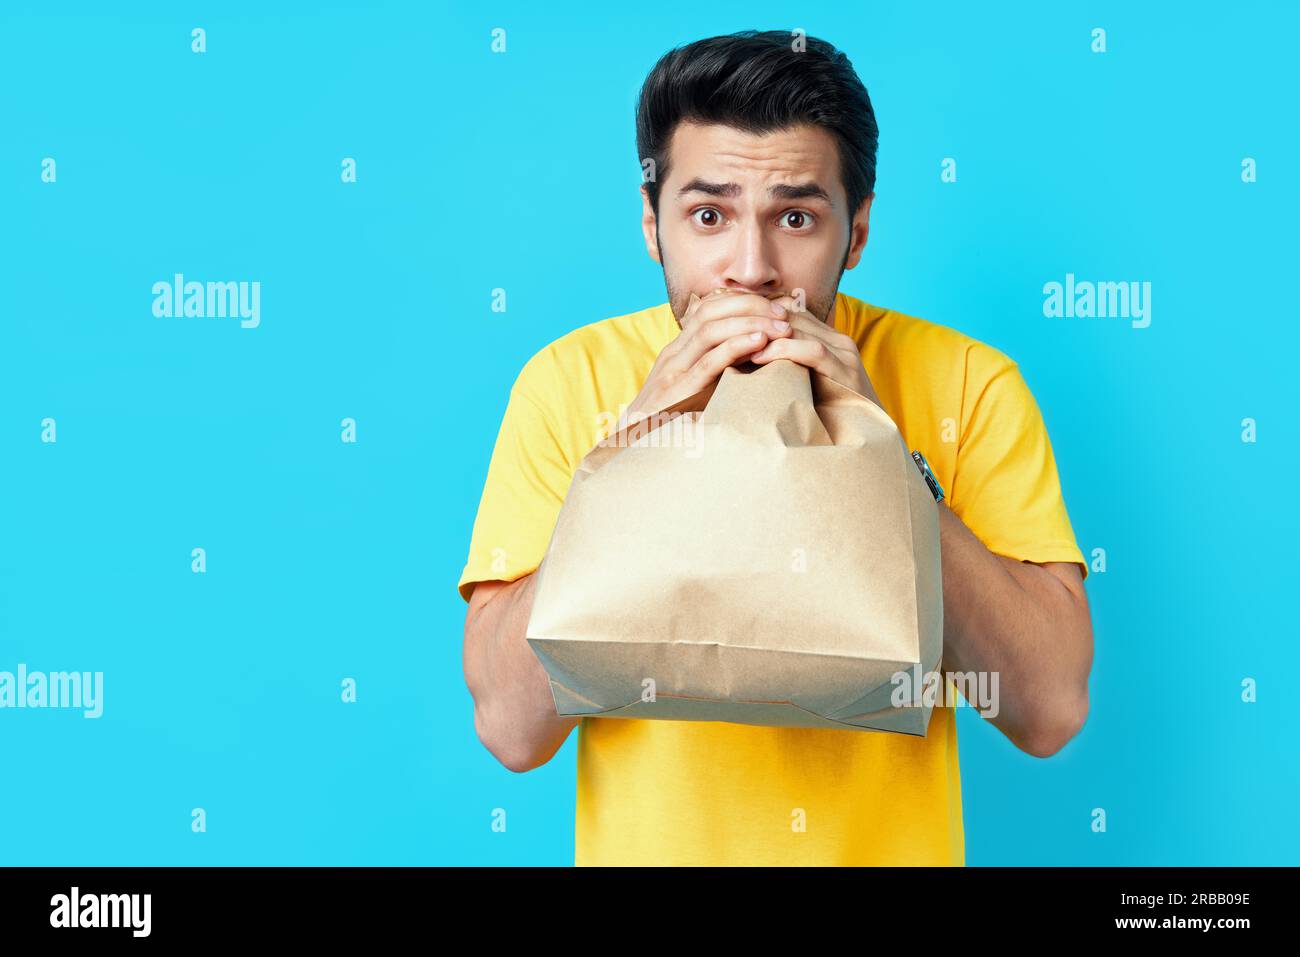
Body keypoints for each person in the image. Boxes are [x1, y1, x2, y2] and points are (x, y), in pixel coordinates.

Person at [458, 30, 1093, 866]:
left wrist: (884, 454)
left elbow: (1047, 709)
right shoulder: (568, 381)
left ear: (856, 233)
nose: (750, 269)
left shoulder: (969, 382)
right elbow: (511, 727)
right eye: (709, 215)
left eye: (795, 216)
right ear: (653, 224)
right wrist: (639, 448)